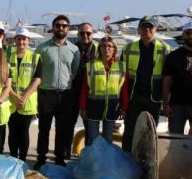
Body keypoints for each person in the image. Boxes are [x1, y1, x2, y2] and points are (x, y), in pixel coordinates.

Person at [34, 14, 80, 168]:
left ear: (68, 29)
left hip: (66, 94)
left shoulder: (74, 50)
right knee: (44, 128)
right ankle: (41, 157)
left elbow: (74, 71)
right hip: (46, 93)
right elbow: (37, 71)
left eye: (64, 26)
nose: (61, 28)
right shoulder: (42, 48)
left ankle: (59, 157)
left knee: (62, 128)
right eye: (58, 25)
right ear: (53, 27)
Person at [121, 16, 171, 152]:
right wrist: (122, 100)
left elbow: (169, 77)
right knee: (130, 130)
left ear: (155, 29)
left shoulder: (165, 48)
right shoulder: (128, 48)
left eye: (150, 27)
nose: (147, 29)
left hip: (154, 98)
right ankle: (127, 159)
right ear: (138, 30)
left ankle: (147, 160)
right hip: (133, 97)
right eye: (144, 27)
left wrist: (167, 102)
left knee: (150, 131)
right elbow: (121, 76)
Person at [79, 36, 129, 145]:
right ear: (99, 49)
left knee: (108, 139)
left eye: (109, 46)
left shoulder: (121, 66)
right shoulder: (91, 65)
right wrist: (82, 107)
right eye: (103, 46)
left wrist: (124, 108)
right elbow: (85, 88)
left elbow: (124, 89)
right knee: (92, 138)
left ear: (114, 49)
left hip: (112, 107)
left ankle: (106, 161)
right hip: (93, 106)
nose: (106, 48)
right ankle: (92, 161)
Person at [7, 27, 42, 161]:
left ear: (28, 41)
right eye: (19, 38)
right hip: (10, 100)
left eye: (24, 39)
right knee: (12, 132)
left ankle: (22, 159)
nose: (21, 41)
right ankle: (13, 157)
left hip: (27, 102)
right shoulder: (8, 55)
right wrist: (14, 96)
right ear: (15, 40)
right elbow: (3, 77)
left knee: (24, 132)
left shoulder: (35, 57)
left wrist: (23, 97)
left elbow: (37, 79)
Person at [68, 22, 99, 158]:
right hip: (71, 92)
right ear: (78, 34)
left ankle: (88, 157)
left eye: (88, 33)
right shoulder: (71, 48)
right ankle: (64, 154)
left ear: (92, 34)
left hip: (90, 94)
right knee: (68, 124)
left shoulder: (99, 49)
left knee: (90, 128)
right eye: (82, 33)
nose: (85, 35)